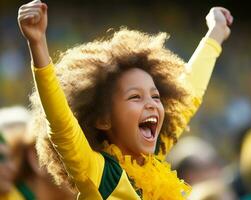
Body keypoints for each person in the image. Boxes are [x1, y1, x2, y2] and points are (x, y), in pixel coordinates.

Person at [18, 0, 233, 199]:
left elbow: (188, 94)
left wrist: (215, 34)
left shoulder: (155, 156)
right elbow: (61, 124)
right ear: (103, 119)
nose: (151, 103)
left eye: (155, 96)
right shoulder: (99, 174)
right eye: (135, 97)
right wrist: (37, 45)